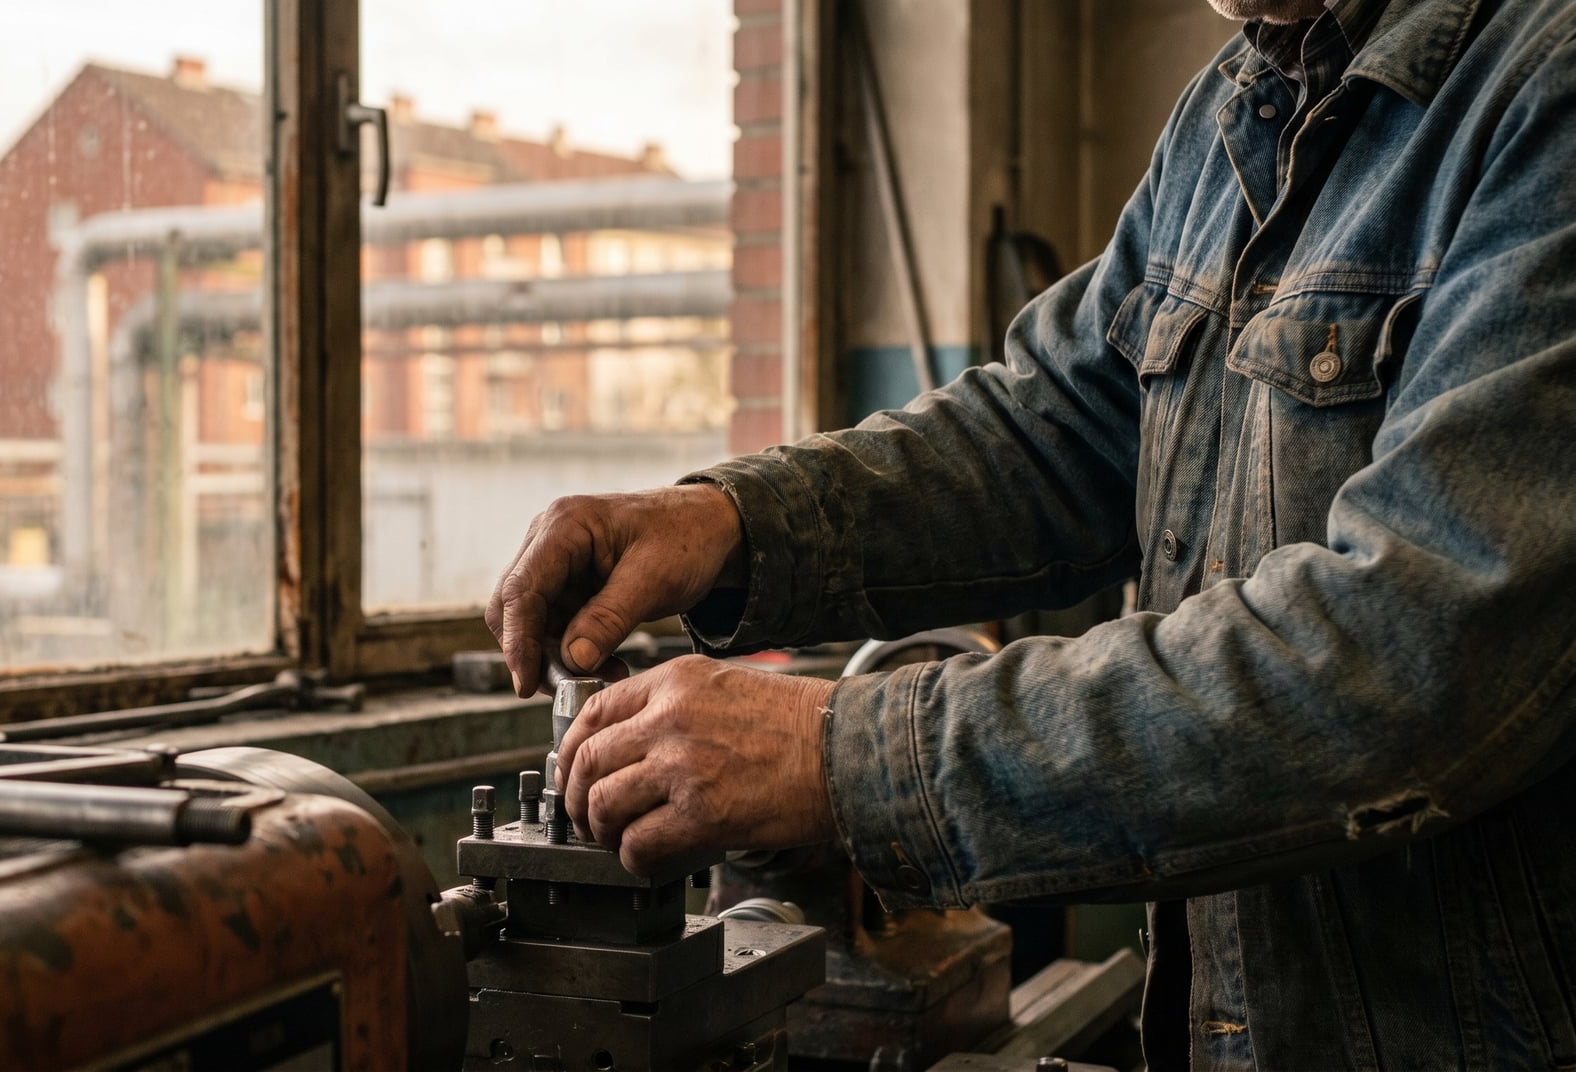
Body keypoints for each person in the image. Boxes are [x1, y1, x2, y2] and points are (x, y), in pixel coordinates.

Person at [487, 0, 1576, 1066]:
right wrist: (734, 520)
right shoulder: (1232, 113)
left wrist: (842, 756)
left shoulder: (1543, 87)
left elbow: (1411, 655)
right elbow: (1054, 429)